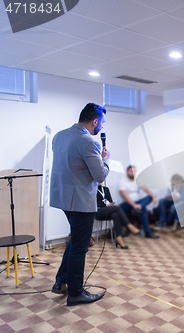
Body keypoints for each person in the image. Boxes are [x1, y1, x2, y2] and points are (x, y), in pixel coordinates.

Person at [50, 103, 109, 306]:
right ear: (95, 121)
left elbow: (70, 166)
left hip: (63, 198)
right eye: (101, 122)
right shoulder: (88, 142)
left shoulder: (59, 136)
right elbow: (100, 175)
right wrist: (105, 160)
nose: (101, 126)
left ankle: (61, 281)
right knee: (80, 246)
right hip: (81, 201)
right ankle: (76, 292)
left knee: (75, 240)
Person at [95, 183, 140, 249]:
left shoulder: (106, 189)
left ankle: (119, 238)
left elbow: (110, 201)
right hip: (98, 212)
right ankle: (129, 225)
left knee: (115, 215)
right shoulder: (92, 189)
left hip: (107, 210)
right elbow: (93, 203)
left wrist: (110, 204)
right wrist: (105, 205)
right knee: (117, 208)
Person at [119, 166, 159, 239]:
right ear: (127, 172)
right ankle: (147, 232)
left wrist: (153, 196)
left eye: (134, 171)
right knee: (143, 209)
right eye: (131, 171)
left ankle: (139, 207)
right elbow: (124, 195)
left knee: (150, 197)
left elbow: (146, 189)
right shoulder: (123, 181)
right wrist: (134, 205)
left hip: (137, 204)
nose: (133, 173)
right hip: (127, 205)